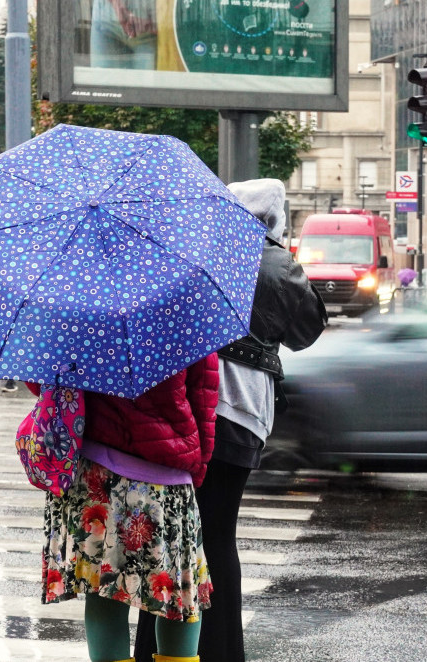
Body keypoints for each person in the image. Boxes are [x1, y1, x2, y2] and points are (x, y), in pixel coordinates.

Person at [134, 178, 326, 662]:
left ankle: (151, 650)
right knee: (218, 534)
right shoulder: (279, 265)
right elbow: (307, 332)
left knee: (169, 533)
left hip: (181, 412)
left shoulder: (191, 251)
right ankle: (220, 652)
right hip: (241, 416)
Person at [36, 353, 220, 662]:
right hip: (167, 472)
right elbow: (204, 398)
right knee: (179, 597)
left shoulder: (83, 308)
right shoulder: (187, 311)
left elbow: (43, 381)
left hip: (98, 468)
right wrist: (196, 468)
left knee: (105, 591)